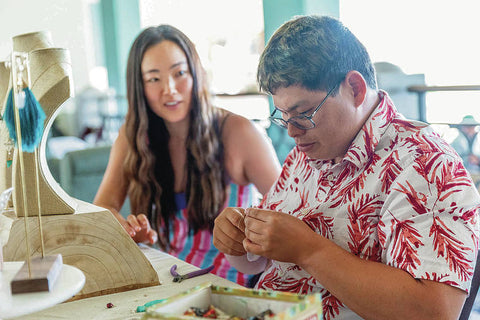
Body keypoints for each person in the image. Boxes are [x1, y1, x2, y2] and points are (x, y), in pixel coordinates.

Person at [213, 15, 480, 319]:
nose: (292, 131)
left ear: (355, 88)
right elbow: (260, 262)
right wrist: (236, 243)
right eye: (283, 115)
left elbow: (435, 311)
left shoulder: (426, 163)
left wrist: (309, 250)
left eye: (303, 112)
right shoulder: (309, 151)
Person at [93, 25, 281, 287]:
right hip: (167, 280)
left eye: (179, 73)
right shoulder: (133, 137)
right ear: (140, 87)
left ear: (196, 74)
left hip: (233, 288)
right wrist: (129, 230)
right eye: (154, 79)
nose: (169, 89)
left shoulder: (239, 132)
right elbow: (100, 211)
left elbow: (290, 212)